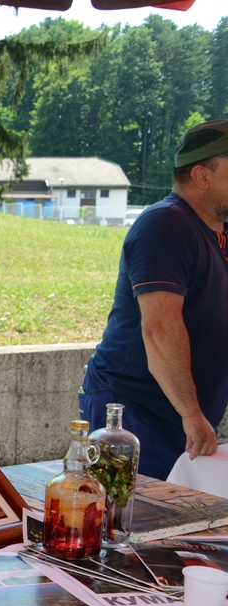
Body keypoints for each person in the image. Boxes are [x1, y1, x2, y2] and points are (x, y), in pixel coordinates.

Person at [80, 119, 228, 480]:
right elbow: (160, 329)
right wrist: (191, 413)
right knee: (128, 512)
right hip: (136, 415)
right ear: (202, 176)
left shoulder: (219, 232)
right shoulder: (165, 225)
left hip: (184, 417)